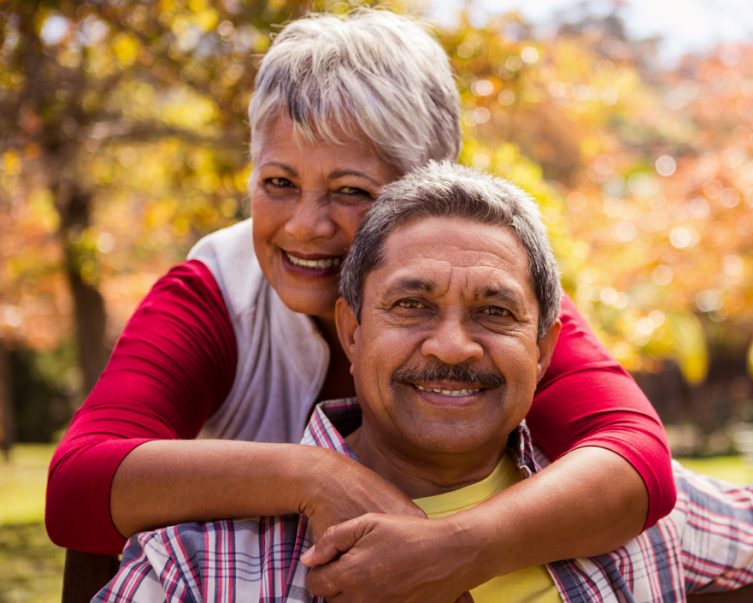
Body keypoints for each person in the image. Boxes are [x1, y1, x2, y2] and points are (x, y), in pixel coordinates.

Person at [95, 161, 753, 602]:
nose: (453, 345)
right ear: (346, 329)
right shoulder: (199, 562)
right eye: (409, 306)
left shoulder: (626, 515)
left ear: (548, 342)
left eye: (493, 313)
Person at [46, 8, 675, 599]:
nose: (305, 226)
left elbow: (634, 456)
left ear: (428, 194)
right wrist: (317, 478)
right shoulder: (216, 289)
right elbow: (77, 482)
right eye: (278, 183)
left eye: (350, 191)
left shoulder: (485, 300)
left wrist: (456, 549)